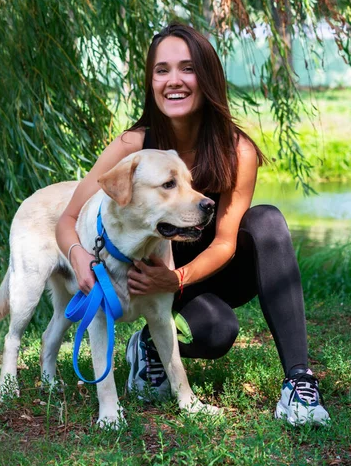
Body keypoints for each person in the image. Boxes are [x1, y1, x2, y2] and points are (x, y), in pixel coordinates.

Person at [56, 22, 330, 426]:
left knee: (267, 221)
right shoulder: (132, 146)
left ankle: (299, 382)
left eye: (187, 68)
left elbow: (224, 241)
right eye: (161, 70)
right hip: (145, 277)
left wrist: (178, 278)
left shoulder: (237, 150)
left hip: (198, 274)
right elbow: (68, 218)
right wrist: (79, 256)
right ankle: (148, 346)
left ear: (207, 76)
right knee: (216, 331)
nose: (174, 81)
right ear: (151, 82)